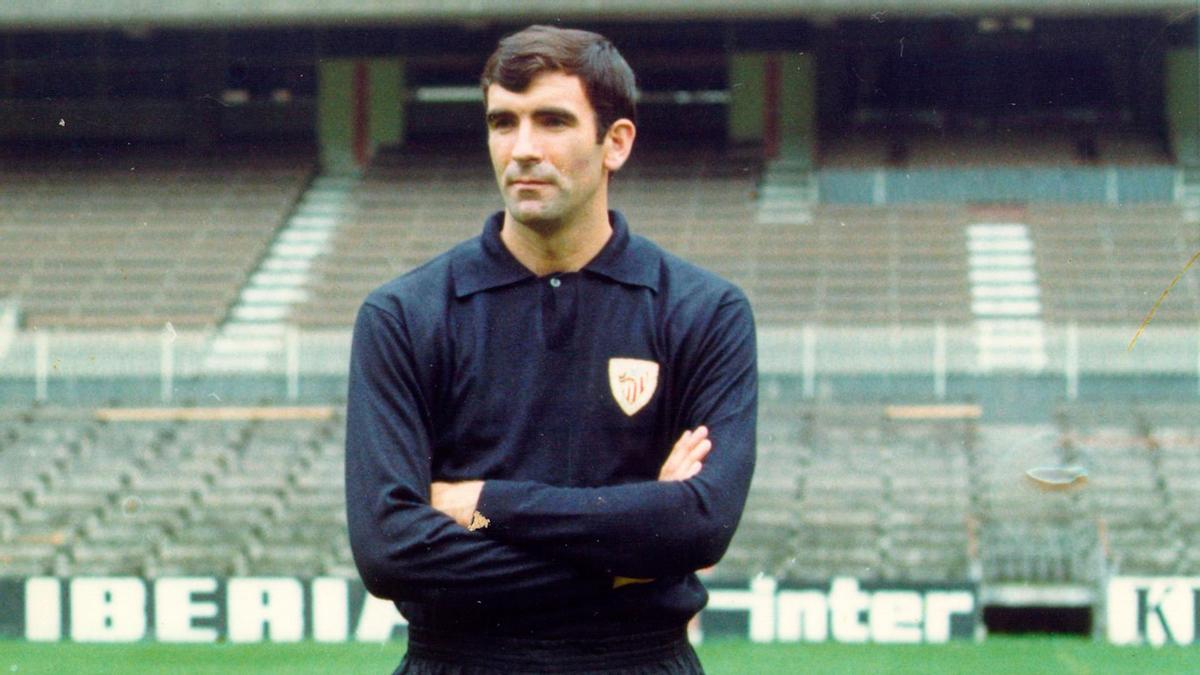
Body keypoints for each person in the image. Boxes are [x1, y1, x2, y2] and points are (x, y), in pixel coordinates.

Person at [345, 24, 757, 674]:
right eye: (503, 122)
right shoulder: (404, 314)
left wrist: (488, 501)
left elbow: (700, 525)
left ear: (615, 142)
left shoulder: (702, 310)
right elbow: (388, 550)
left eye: (553, 121)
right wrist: (627, 563)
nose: (523, 148)